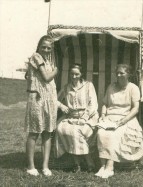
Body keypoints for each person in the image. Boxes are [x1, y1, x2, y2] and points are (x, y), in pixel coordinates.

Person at [95, 64, 143, 179]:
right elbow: (105, 104)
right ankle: (102, 166)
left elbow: (135, 108)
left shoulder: (133, 88)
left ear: (128, 74)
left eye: (121, 73)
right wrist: (102, 115)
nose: (118, 75)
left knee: (115, 135)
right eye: (117, 73)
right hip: (109, 117)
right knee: (101, 133)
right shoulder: (111, 87)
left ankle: (110, 166)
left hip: (127, 118)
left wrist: (123, 120)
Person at [25, 35, 58, 176]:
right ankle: (31, 166)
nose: (46, 49)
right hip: (37, 98)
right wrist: (56, 70)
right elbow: (46, 77)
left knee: (47, 133)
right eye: (43, 46)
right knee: (34, 132)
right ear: (39, 46)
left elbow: (29, 75)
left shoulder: (46, 61)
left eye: (49, 48)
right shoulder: (36, 57)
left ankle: (45, 166)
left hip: (49, 98)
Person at [55, 64, 99, 173]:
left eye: (76, 74)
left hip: (89, 117)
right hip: (71, 117)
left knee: (76, 132)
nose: (74, 76)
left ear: (81, 74)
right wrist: (62, 106)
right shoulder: (66, 87)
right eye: (72, 74)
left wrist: (84, 118)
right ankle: (78, 163)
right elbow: (54, 99)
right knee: (61, 128)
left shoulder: (89, 85)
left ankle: (87, 161)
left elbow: (93, 105)